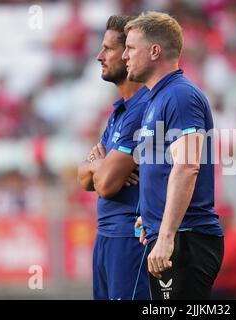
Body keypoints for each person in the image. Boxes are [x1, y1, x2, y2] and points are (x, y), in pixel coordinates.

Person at [123, 11, 224, 300]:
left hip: (187, 236)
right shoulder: (157, 98)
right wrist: (149, 214)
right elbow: (160, 166)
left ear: (155, 51)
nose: (125, 56)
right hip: (172, 235)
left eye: (131, 48)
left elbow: (187, 165)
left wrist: (166, 235)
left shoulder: (180, 95)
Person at [77, 15, 150, 300]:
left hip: (130, 238)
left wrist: (100, 167)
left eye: (108, 49)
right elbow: (84, 179)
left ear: (129, 52)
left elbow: (104, 184)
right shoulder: (119, 111)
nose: (99, 56)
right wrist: (100, 165)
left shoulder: (143, 108)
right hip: (106, 236)